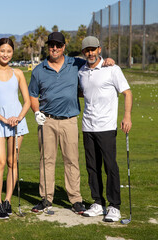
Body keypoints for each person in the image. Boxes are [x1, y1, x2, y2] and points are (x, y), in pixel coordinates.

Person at [28, 32, 115, 215]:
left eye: (58, 45)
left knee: (72, 160)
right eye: (52, 45)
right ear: (48, 47)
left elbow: (94, 63)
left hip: (69, 121)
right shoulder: (38, 70)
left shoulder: (75, 64)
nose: (55, 48)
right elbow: (33, 95)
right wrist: (36, 112)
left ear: (63, 47)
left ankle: (75, 200)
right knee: (47, 160)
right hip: (47, 121)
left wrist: (108, 60)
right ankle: (46, 198)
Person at [78, 36, 132, 222]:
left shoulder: (112, 69)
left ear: (99, 49)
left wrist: (127, 116)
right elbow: (83, 92)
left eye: (93, 49)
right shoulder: (82, 71)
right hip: (87, 126)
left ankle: (114, 206)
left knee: (110, 166)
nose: (90, 53)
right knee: (92, 167)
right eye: (87, 50)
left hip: (107, 126)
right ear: (83, 52)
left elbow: (127, 93)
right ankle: (98, 203)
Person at [0, 38, 30, 219]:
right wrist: (3, 119)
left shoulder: (18, 73)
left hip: (17, 122)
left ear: (12, 52)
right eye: (2, 51)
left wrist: (18, 118)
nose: (5, 54)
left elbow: (26, 101)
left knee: (12, 162)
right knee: (0, 162)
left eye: (9, 51)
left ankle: (8, 200)